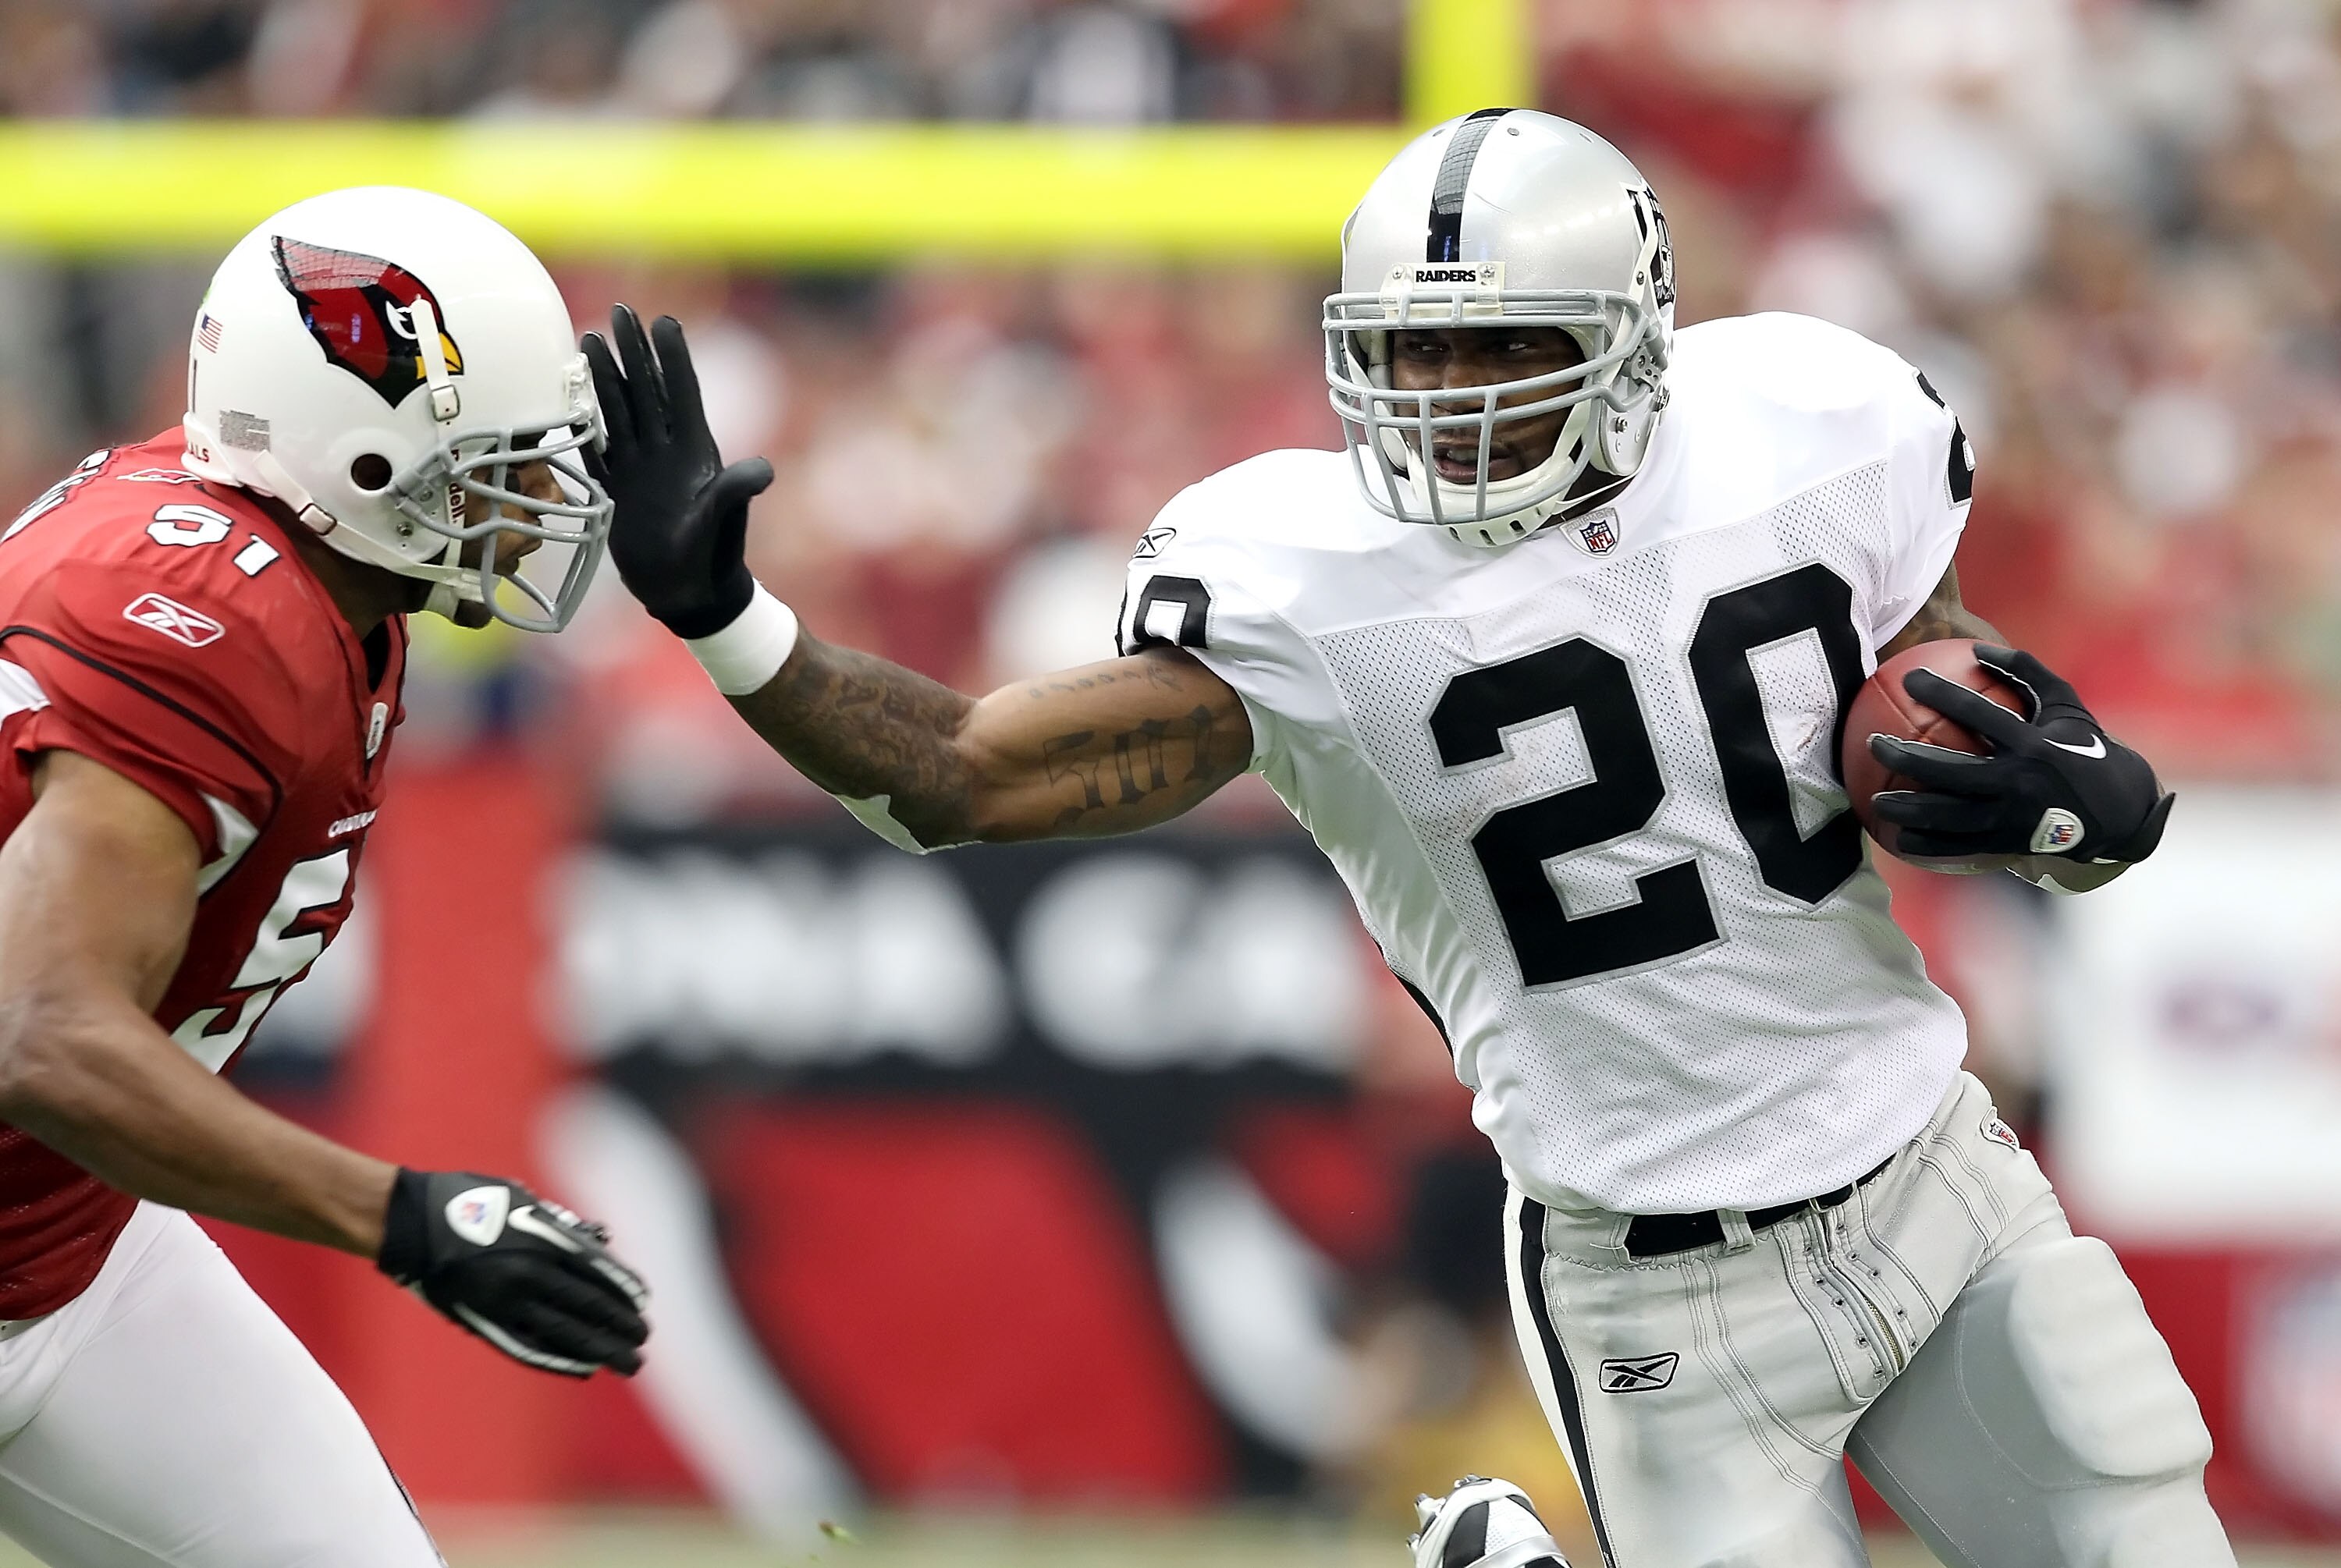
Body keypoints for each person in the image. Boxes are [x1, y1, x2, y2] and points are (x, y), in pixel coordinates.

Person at [588, 111, 2226, 1568]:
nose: (1447, 399)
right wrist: (731, 619)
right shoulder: (1309, 583)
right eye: (1413, 352)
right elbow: (960, 777)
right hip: (1656, 1281)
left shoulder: (1814, 425)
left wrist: (2085, 803)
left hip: (1936, 1175)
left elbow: (1951, 712)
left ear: (1634, 341)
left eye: (1498, 346)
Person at [0, 186, 648, 1566]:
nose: (540, 503)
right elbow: (41, 1032)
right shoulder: (209, 618)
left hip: (62, 1245)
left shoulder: (316, 577)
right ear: (358, 456)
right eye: (498, 466)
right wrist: (402, 1216)